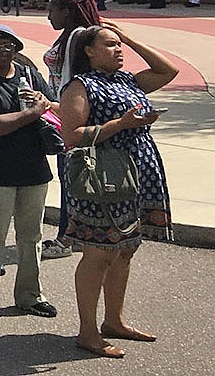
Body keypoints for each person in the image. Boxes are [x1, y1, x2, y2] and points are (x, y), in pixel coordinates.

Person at [61, 22, 177, 358]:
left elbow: (167, 70)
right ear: (88, 51)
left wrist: (129, 38)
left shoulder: (127, 80)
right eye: (111, 45)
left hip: (138, 172)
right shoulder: (81, 86)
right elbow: (73, 136)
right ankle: (87, 331)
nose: (119, 50)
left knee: (126, 249)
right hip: (104, 180)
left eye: (119, 45)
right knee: (99, 254)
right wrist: (121, 124)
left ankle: (114, 321)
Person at [0, 25, 58, 322]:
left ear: (17, 48)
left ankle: (30, 296)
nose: (3, 49)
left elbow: (53, 104)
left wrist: (42, 104)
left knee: (31, 236)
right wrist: (32, 112)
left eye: (8, 44)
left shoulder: (29, 75)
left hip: (34, 169)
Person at [38, 0, 101, 258]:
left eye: (52, 9)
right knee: (73, 178)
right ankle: (76, 235)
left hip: (69, 116)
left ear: (67, 11)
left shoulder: (76, 37)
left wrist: (57, 107)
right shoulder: (73, 36)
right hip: (64, 111)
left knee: (71, 178)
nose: (48, 15)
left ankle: (65, 238)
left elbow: (74, 83)